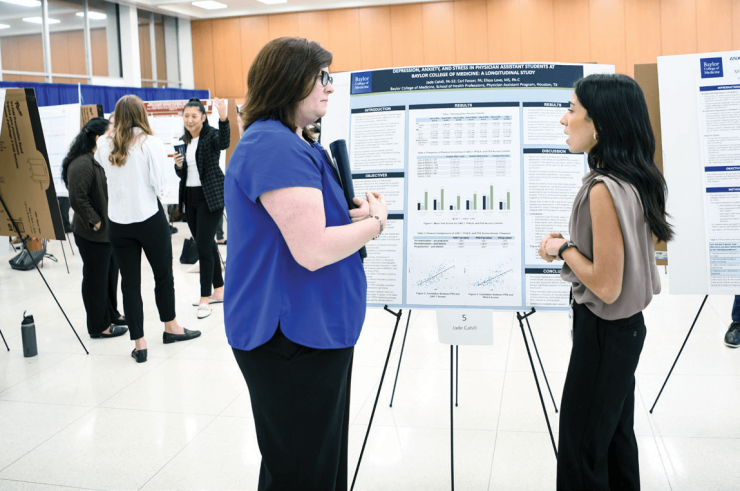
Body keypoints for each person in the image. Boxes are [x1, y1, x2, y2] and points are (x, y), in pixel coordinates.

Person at [224, 37, 387, 491]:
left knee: (305, 461)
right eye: (322, 77)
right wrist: (375, 223)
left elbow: (303, 223)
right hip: (290, 337)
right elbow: (312, 249)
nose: (330, 88)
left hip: (313, 328)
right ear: (288, 81)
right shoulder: (273, 145)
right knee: (303, 470)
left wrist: (349, 214)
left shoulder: (296, 141)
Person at [538, 73, 673, 491]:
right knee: (613, 436)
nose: (564, 120)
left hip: (604, 333)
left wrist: (562, 249)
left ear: (598, 124)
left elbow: (607, 285)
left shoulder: (602, 188)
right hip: (625, 332)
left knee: (581, 449)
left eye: (573, 110)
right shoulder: (636, 177)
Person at [95, 95, 200, 363]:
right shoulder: (150, 143)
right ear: (142, 114)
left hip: (118, 223)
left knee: (129, 284)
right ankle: (171, 327)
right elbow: (161, 185)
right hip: (149, 219)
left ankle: (139, 344)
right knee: (163, 276)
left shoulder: (103, 144)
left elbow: (105, 171)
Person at [63, 117, 127, 339]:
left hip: (107, 232)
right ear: (98, 138)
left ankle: (111, 314)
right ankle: (99, 326)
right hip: (92, 234)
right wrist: (96, 221)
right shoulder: (81, 163)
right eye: (111, 134)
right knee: (95, 279)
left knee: (110, 275)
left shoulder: (99, 158)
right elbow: (77, 199)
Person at [174, 98, 230, 319]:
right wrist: (178, 166)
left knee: (205, 247)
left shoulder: (211, 136)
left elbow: (225, 142)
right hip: (190, 198)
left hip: (210, 197)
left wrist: (224, 117)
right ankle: (219, 290)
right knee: (205, 245)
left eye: (194, 116)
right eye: (186, 116)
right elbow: (182, 174)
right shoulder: (182, 141)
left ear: (203, 117)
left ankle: (204, 298)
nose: (189, 120)